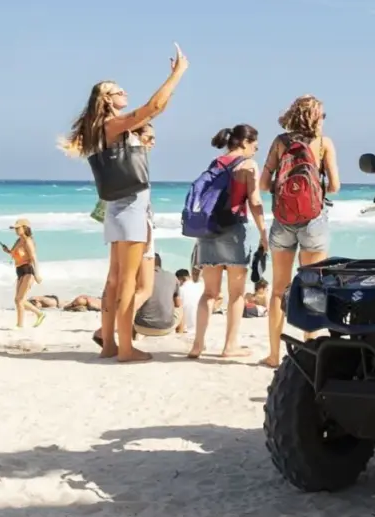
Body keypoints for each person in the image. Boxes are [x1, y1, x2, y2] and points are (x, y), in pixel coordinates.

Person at [59, 42, 189, 362]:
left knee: (115, 279)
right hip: (131, 205)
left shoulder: (100, 129)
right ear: (106, 98)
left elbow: (156, 108)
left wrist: (169, 87)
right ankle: (126, 348)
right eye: (118, 91)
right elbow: (153, 107)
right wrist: (178, 73)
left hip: (117, 207)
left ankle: (109, 345)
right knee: (127, 280)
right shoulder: (112, 125)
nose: (124, 92)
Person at [259, 96, 340, 368]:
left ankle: (273, 354)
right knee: (313, 287)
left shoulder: (280, 142)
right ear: (317, 117)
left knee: (278, 289)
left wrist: (286, 190)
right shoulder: (324, 144)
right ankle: (311, 350)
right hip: (314, 220)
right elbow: (337, 186)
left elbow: (263, 184)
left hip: (282, 220)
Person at [188, 125, 269, 359]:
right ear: (244, 142)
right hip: (234, 230)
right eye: (255, 142)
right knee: (236, 294)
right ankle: (229, 346)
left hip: (208, 230)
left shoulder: (216, 163)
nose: (257, 147)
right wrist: (264, 232)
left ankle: (197, 345)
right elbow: (254, 200)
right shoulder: (248, 165)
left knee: (209, 293)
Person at [0, 218, 45, 328]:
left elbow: (34, 257)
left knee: (20, 300)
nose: (15, 230)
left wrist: (37, 274)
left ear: (25, 228)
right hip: (19, 271)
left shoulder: (28, 241)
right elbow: (15, 255)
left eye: (17, 228)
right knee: (18, 300)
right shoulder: (18, 241)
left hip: (28, 271)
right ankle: (39, 313)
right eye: (15, 228)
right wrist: (8, 251)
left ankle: (19, 326)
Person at [134, 254, 183, 336]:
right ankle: (180, 334)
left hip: (140, 327)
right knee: (180, 308)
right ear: (160, 264)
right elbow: (177, 304)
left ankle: (132, 337)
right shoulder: (172, 277)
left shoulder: (139, 276)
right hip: (165, 328)